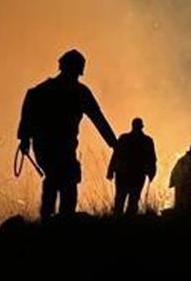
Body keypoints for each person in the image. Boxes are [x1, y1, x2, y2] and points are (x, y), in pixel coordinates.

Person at [17, 49, 117, 218]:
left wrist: (25, 140)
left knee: (55, 178)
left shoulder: (40, 91)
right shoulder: (80, 92)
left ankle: (48, 220)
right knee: (67, 180)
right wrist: (114, 144)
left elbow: (27, 118)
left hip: (45, 147)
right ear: (79, 70)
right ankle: (64, 222)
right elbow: (98, 119)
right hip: (60, 147)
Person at [107, 117, 157, 215]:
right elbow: (152, 159)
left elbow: (152, 158)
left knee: (127, 199)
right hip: (130, 174)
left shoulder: (125, 138)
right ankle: (125, 221)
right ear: (142, 126)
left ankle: (122, 221)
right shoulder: (146, 140)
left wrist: (111, 170)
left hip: (128, 174)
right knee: (125, 199)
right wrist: (152, 172)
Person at [169, 143, 191, 210]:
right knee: (183, 200)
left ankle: (181, 213)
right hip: (183, 182)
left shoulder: (187, 159)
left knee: (183, 200)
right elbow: (175, 171)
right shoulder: (189, 159)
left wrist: (172, 182)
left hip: (183, 182)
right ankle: (181, 214)